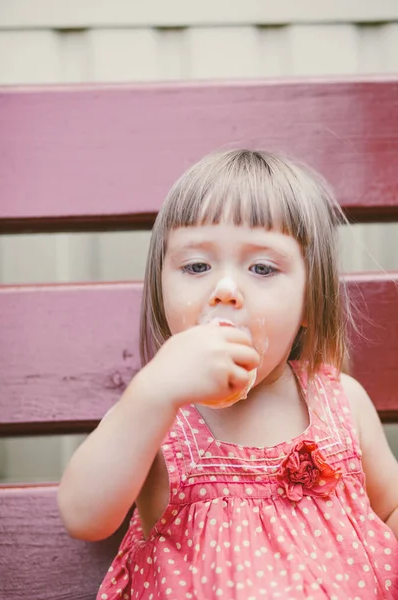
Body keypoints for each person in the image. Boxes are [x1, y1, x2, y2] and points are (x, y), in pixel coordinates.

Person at [58, 149, 398, 599]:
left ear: (311, 300)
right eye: (197, 266)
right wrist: (153, 394)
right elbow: (85, 517)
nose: (225, 290)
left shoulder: (340, 402)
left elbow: (390, 507)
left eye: (262, 268)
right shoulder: (157, 417)